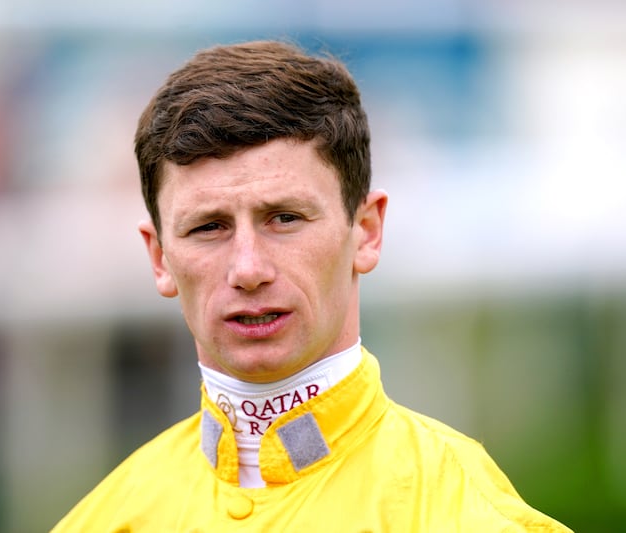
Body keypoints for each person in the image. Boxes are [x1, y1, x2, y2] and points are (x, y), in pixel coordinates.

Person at [52, 40, 571, 532]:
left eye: (284, 218)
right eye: (209, 227)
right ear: (160, 257)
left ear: (366, 231)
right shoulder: (106, 519)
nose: (248, 269)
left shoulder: (465, 514)